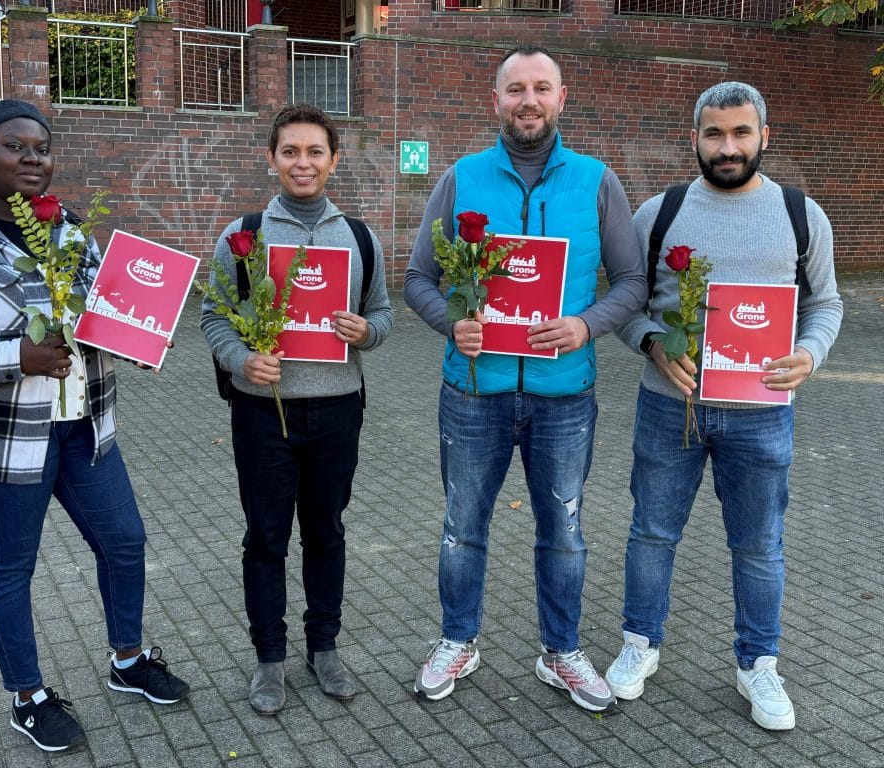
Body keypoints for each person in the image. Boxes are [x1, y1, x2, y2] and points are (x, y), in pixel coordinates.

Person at [0, 99, 190, 753]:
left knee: (125, 542)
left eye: (42, 148)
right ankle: (27, 698)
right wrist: (11, 358)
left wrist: (140, 337)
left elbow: (105, 308)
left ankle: (128, 659)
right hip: (3, 443)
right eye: (15, 146)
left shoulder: (70, 230)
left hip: (83, 427)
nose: (32, 158)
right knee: (11, 567)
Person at [404, 46, 648, 711]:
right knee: (462, 527)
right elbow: (419, 278)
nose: (528, 101)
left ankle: (561, 650)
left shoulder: (597, 181)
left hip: (563, 396)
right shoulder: (461, 178)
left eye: (541, 88)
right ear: (496, 101)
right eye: (515, 89)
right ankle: (458, 639)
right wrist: (451, 323)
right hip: (472, 393)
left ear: (561, 98)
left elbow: (632, 281)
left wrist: (586, 326)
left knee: (563, 532)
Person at [604, 82, 843, 731]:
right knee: (652, 532)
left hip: (761, 412)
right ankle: (639, 642)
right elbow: (624, 302)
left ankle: (758, 662)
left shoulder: (801, 215)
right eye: (715, 134)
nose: (728, 146)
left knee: (759, 544)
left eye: (741, 133)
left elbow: (825, 303)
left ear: (764, 136)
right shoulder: (659, 213)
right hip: (669, 405)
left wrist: (810, 354)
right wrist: (651, 343)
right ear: (695, 139)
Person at [201, 104, 394, 715]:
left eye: (315, 152)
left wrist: (366, 332)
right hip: (263, 413)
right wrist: (240, 360)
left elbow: (384, 313)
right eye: (290, 151)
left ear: (334, 160)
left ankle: (324, 646)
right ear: (272, 158)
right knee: (266, 536)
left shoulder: (358, 237)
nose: (302, 163)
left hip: (337, 410)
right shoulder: (243, 235)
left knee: (326, 531)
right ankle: (269, 657)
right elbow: (212, 316)